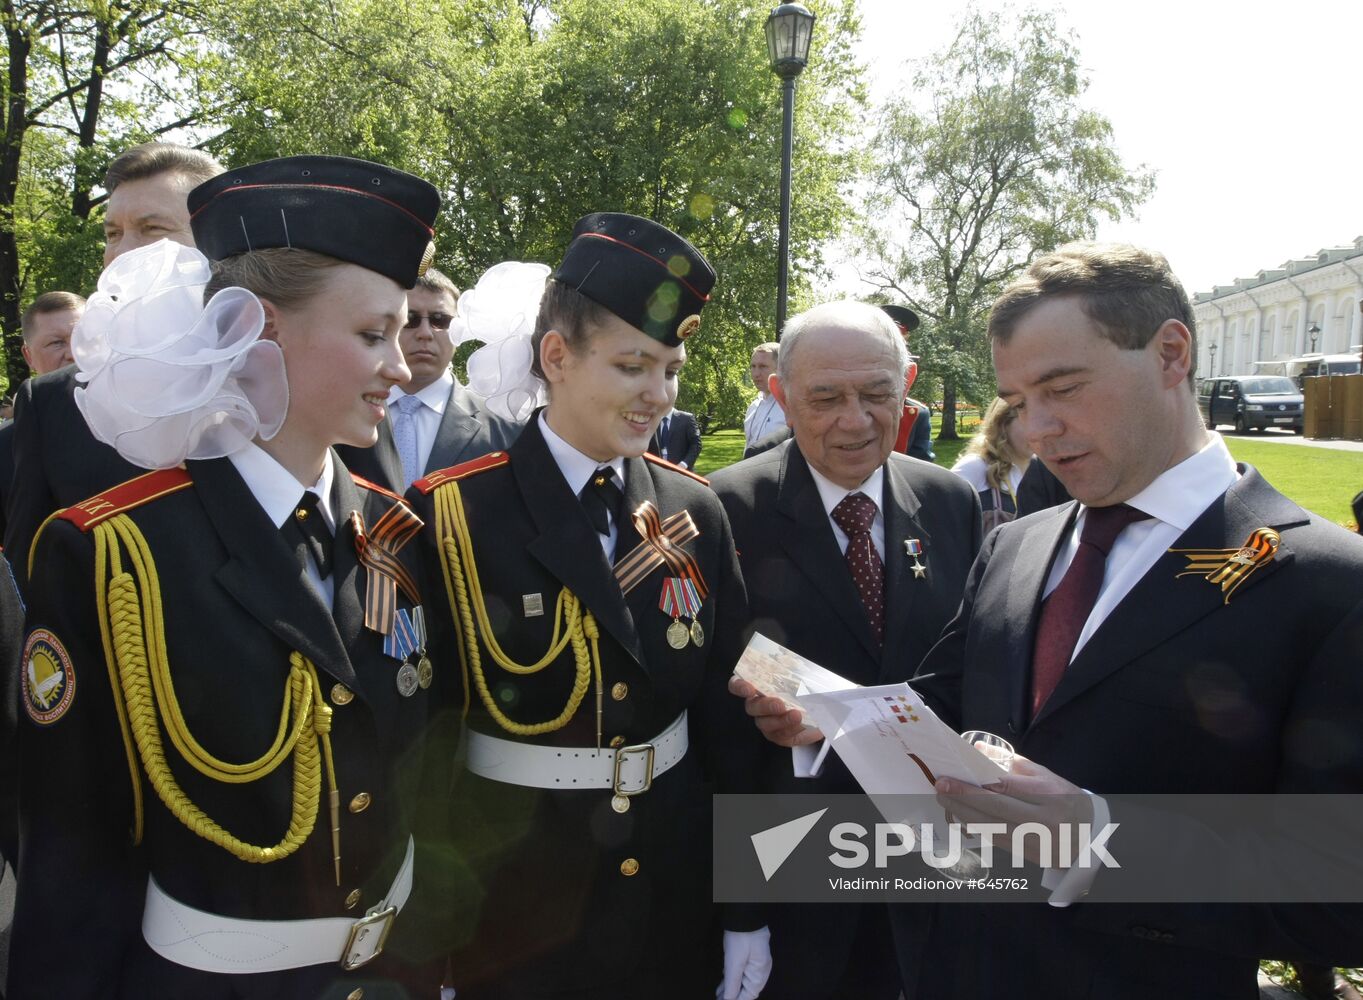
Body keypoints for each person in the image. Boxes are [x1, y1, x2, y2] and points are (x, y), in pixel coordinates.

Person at [738, 242, 1363, 999]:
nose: (1034, 431)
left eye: (1061, 389)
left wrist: (1097, 844)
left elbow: (1339, 886)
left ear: (1170, 354)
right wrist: (824, 719)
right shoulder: (1016, 543)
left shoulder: (1328, 585)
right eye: (1016, 402)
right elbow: (938, 704)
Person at [10, 155, 448, 999]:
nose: (402, 363)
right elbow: (73, 852)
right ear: (260, 329)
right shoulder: (112, 555)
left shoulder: (396, 531)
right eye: (371, 334)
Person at [405, 213, 768, 1000]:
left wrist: (745, 907)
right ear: (557, 356)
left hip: (667, 891)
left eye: (669, 369)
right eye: (633, 365)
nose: (658, 395)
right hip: (514, 907)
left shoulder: (693, 511)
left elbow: (724, 725)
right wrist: (427, 944)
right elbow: (421, 749)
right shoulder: (453, 514)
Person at [712, 300, 981, 1000]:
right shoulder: (721, 509)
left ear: (909, 387)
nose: (854, 422)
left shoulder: (951, 502)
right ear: (779, 394)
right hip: (794, 866)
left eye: (876, 395)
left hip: (934, 865)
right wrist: (740, 909)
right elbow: (713, 709)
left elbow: (968, 666)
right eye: (824, 398)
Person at [5, 142, 225, 592]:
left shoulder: (289, 383)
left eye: (151, 229)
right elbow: (28, 576)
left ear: (217, 242)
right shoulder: (50, 403)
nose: (121, 254)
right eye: (111, 234)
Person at [338, 266, 518, 491]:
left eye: (440, 320)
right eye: (410, 319)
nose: (425, 332)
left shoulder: (503, 428)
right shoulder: (342, 413)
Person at [951, 397, 1031, 532]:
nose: (1038, 431)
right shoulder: (976, 466)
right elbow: (938, 519)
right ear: (1002, 424)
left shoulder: (1048, 472)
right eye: (1028, 422)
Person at [743, 342, 787, 448]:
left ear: (780, 368)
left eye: (763, 366)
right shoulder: (753, 407)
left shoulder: (789, 407)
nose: (756, 373)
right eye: (753, 366)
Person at [647, 404, 702, 469]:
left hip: (682, 472)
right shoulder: (651, 420)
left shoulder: (686, 418)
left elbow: (696, 444)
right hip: (657, 471)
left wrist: (684, 464)